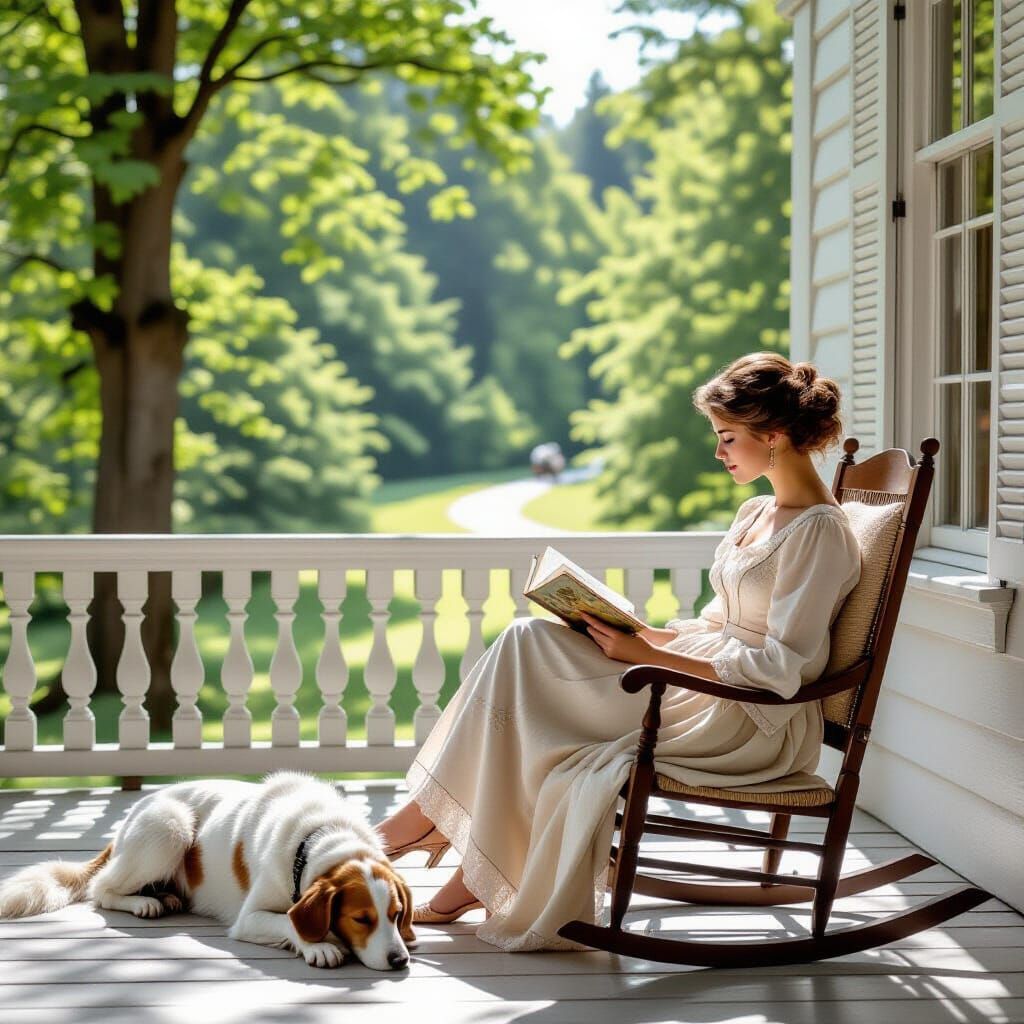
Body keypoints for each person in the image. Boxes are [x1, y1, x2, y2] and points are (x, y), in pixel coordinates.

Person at [376, 353, 862, 951]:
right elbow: (720, 623)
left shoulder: (820, 532)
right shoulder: (757, 512)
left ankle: (429, 833)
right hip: (698, 676)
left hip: (743, 717)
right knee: (528, 640)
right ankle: (443, 836)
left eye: (728, 438)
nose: (719, 453)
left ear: (776, 436)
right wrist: (639, 635)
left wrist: (643, 656)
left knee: (535, 690)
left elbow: (784, 669)